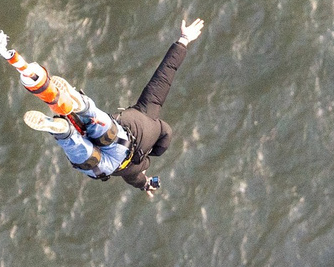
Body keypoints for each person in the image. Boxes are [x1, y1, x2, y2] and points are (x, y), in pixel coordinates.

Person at [24, 17, 204, 191]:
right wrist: (146, 184)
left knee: (105, 127)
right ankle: (63, 132)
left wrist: (183, 40)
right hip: (111, 164)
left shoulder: (149, 110)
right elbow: (138, 180)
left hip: (122, 137)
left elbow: (164, 76)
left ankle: (83, 105)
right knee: (87, 158)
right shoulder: (136, 169)